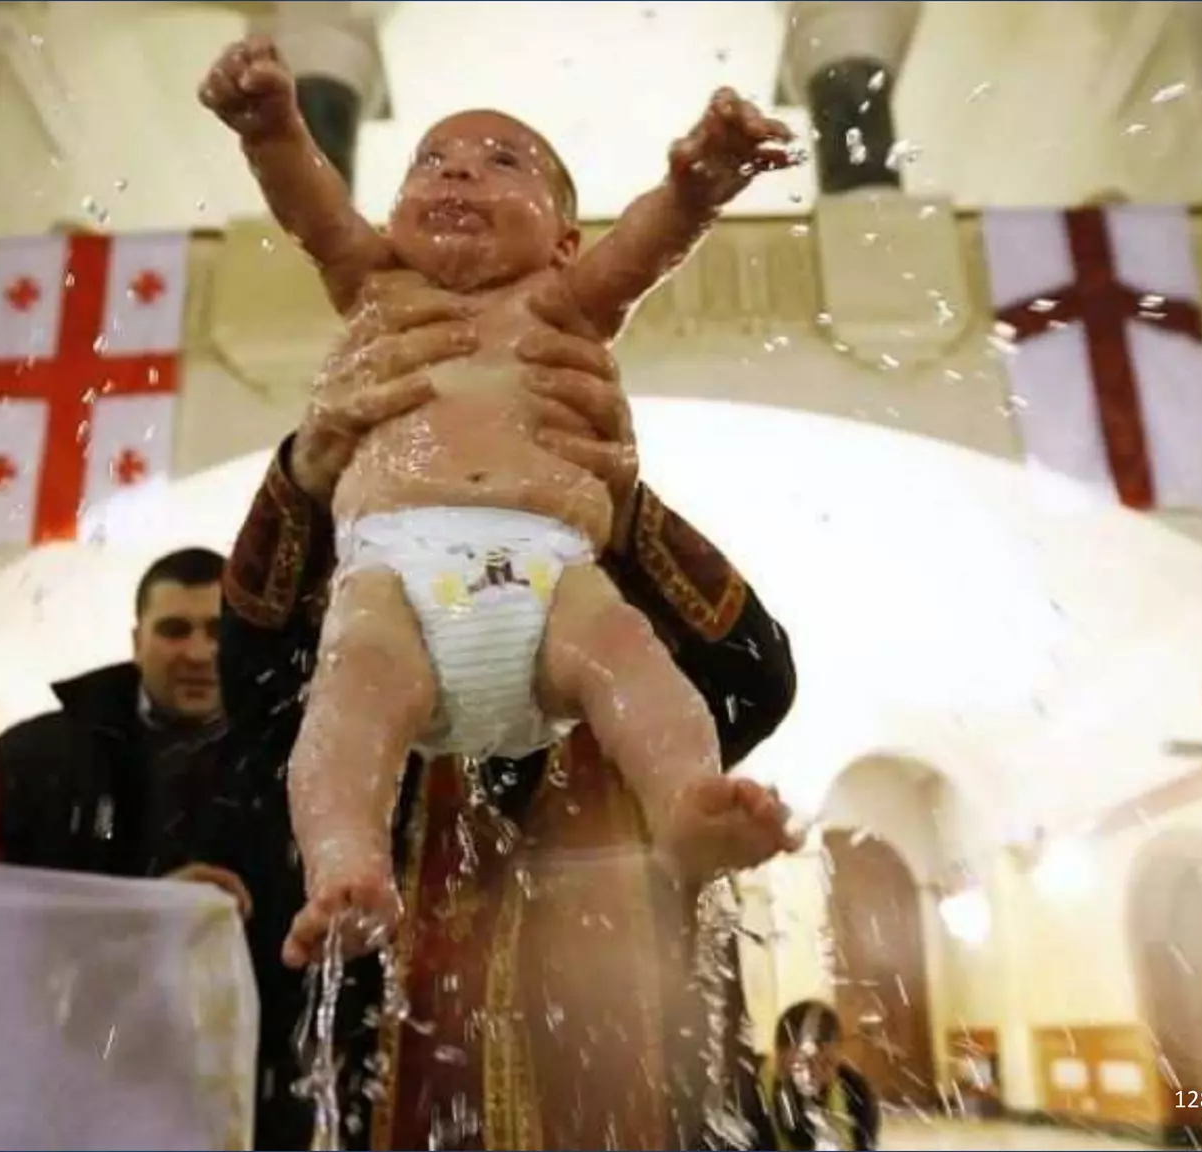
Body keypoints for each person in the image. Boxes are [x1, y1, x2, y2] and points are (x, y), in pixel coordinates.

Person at [201, 35, 800, 959]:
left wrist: (693, 190)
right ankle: (346, 868)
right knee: (348, 702)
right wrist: (272, 126)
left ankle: (685, 806)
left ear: (565, 242)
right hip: (391, 571)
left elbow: (642, 250)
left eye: (501, 162)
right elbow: (315, 211)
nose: (458, 174)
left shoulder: (564, 308)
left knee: (633, 661)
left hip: (552, 566)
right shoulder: (375, 293)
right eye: (431, 160)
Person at [197, 274, 801, 1150]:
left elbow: (759, 676)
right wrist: (302, 477)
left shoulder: (615, 644)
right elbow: (255, 694)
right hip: (396, 1093)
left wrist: (624, 505)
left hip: (630, 1086)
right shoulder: (369, 643)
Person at [0, 547, 232, 877]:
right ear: (137, 642)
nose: (198, 653)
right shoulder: (31, 757)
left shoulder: (292, 764)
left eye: (219, 631)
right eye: (174, 630)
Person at [738, 1001, 880, 1151]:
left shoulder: (857, 1095)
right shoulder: (747, 1096)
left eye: (827, 1064)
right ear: (778, 1059)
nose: (815, 1076)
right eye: (803, 1064)